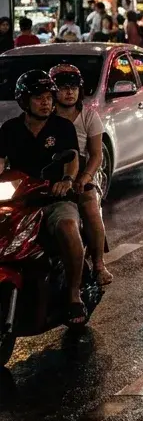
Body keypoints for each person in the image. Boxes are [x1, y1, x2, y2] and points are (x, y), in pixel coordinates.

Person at [0, 71, 85, 323]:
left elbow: (72, 160)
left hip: (52, 199)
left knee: (68, 227)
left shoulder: (63, 127)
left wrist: (66, 181)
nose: (46, 102)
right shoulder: (9, 129)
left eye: (49, 97)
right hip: (19, 200)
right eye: (39, 97)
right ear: (24, 101)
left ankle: (73, 295)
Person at [49, 64, 113, 285]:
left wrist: (84, 178)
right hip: (51, 173)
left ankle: (98, 264)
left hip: (83, 174)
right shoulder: (45, 115)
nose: (69, 92)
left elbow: (96, 155)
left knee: (89, 206)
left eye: (74, 87)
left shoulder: (89, 116)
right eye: (64, 87)